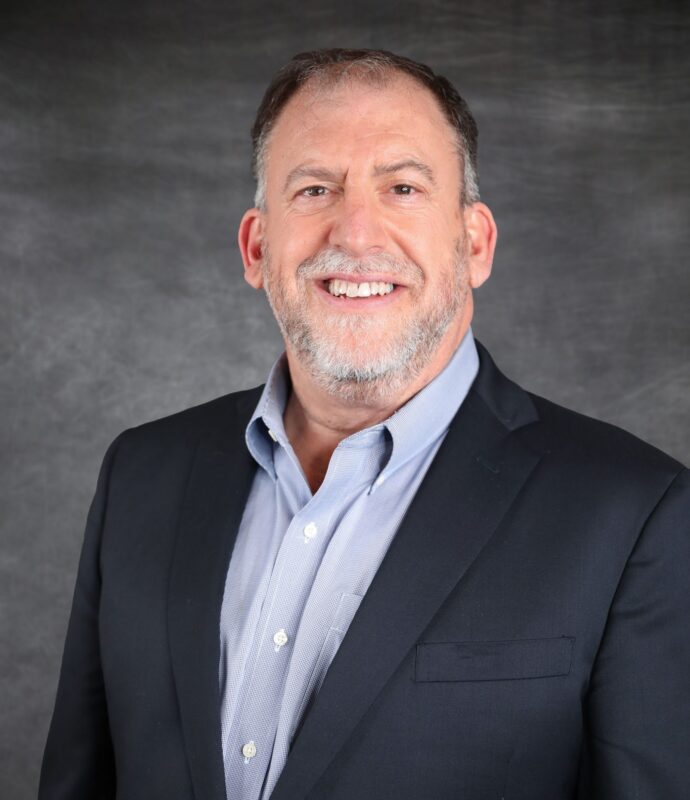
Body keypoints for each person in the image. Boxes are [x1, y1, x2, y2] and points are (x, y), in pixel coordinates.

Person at [39, 49, 689, 800]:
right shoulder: (141, 474)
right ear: (257, 248)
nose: (355, 233)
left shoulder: (634, 513)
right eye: (315, 189)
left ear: (475, 245)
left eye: (402, 188)